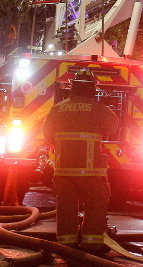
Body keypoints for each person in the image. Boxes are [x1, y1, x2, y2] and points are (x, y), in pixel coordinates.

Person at [42, 68, 119, 254]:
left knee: (66, 208)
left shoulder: (58, 109)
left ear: (72, 88)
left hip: (64, 171)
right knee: (95, 205)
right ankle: (92, 245)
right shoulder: (99, 110)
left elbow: (47, 133)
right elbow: (112, 127)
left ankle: (66, 245)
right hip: (91, 172)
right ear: (93, 89)